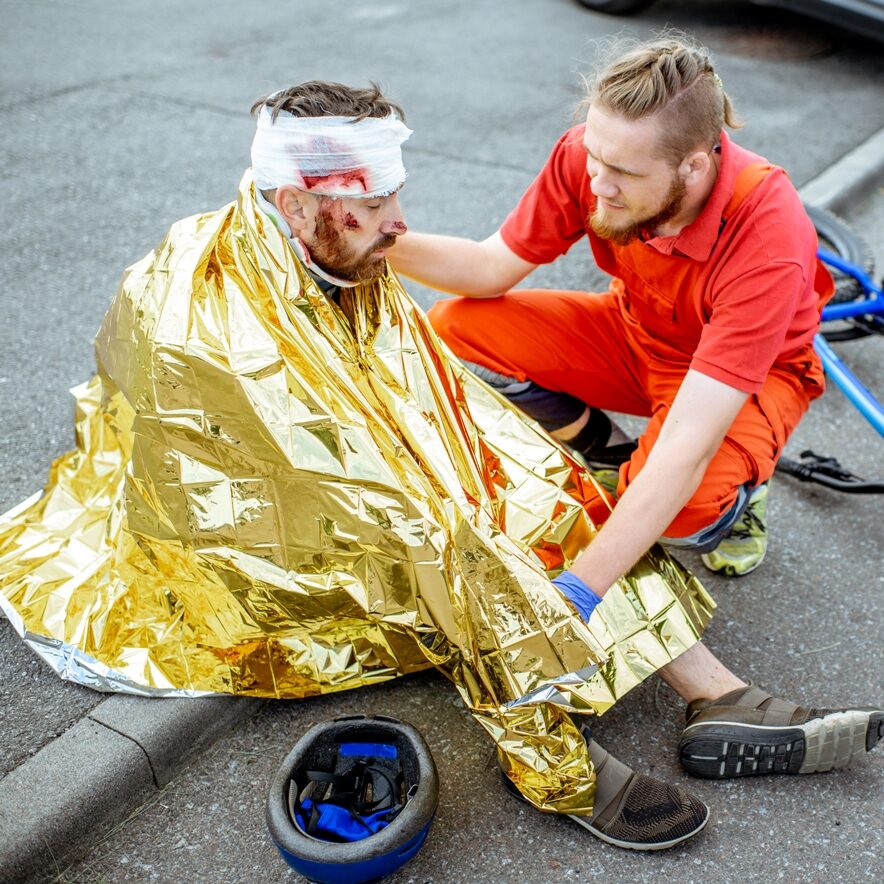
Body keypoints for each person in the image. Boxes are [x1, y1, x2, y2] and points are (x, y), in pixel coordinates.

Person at [0, 80, 877, 855]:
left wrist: (577, 566)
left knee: (581, 491)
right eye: (375, 205)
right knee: (455, 534)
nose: (398, 223)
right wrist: (502, 534)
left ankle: (710, 683)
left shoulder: (766, 232)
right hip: (252, 528)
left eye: (396, 200)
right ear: (299, 204)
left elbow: (669, 444)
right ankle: (552, 757)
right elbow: (365, 465)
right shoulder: (209, 311)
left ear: (692, 167)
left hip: (729, 380)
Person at [389, 34, 883, 779]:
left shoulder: (767, 227)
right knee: (458, 329)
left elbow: (689, 433)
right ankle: (620, 479)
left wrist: (582, 589)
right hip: (637, 331)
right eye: (593, 158)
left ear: (695, 163)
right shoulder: (594, 155)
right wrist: (369, 240)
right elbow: (490, 267)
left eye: (621, 172)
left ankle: (717, 502)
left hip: (746, 377)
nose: (598, 184)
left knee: (686, 500)